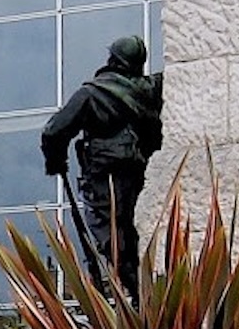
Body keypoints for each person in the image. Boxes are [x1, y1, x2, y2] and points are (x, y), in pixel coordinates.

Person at [41, 35, 163, 301]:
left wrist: (56, 162)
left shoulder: (92, 93)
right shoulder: (150, 90)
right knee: (128, 232)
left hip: (102, 176)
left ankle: (127, 292)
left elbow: (53, 131)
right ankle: (135, 291)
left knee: (109, 234)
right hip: (137, 173)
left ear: (113, 59)